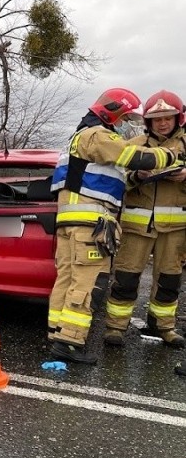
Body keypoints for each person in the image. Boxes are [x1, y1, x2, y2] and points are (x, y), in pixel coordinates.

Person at [47, 87, 183, 364]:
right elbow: (135, 159)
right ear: (113, 113)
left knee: (67, 279)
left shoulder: (77, 137)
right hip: (91, 223)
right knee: (89, 283)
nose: (125, 124)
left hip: (72, 220)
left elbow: (110, 179)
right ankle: (69, 342)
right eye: (125, 117)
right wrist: (169, 158)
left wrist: (136, 176)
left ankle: (57, 334)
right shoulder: (98, 135)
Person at [104, 91, 186, 348]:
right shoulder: (134, 145)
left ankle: (164, 327)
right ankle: (115, 327)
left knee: (169, 279)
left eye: (168, 118)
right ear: (148, 122)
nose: (163, 123)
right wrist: (136, 176)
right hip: (136, 228)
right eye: (157, 119)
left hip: (175, 230)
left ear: (177, 118)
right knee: (126, 277)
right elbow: (117, 182)